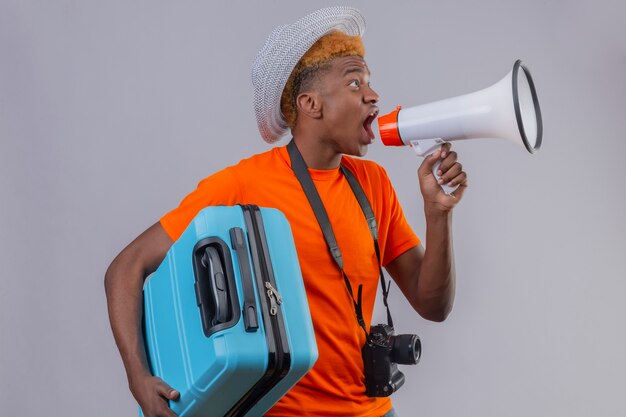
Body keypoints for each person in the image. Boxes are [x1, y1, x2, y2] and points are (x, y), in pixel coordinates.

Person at [104, 6, 467, 417]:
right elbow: (126, 267)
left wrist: (438, 214)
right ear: (311, 104)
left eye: (369, 81)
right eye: (354, 82)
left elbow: (433, 306)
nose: (373, 95)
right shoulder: (243, 185)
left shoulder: (373, 183)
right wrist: (138, 377)